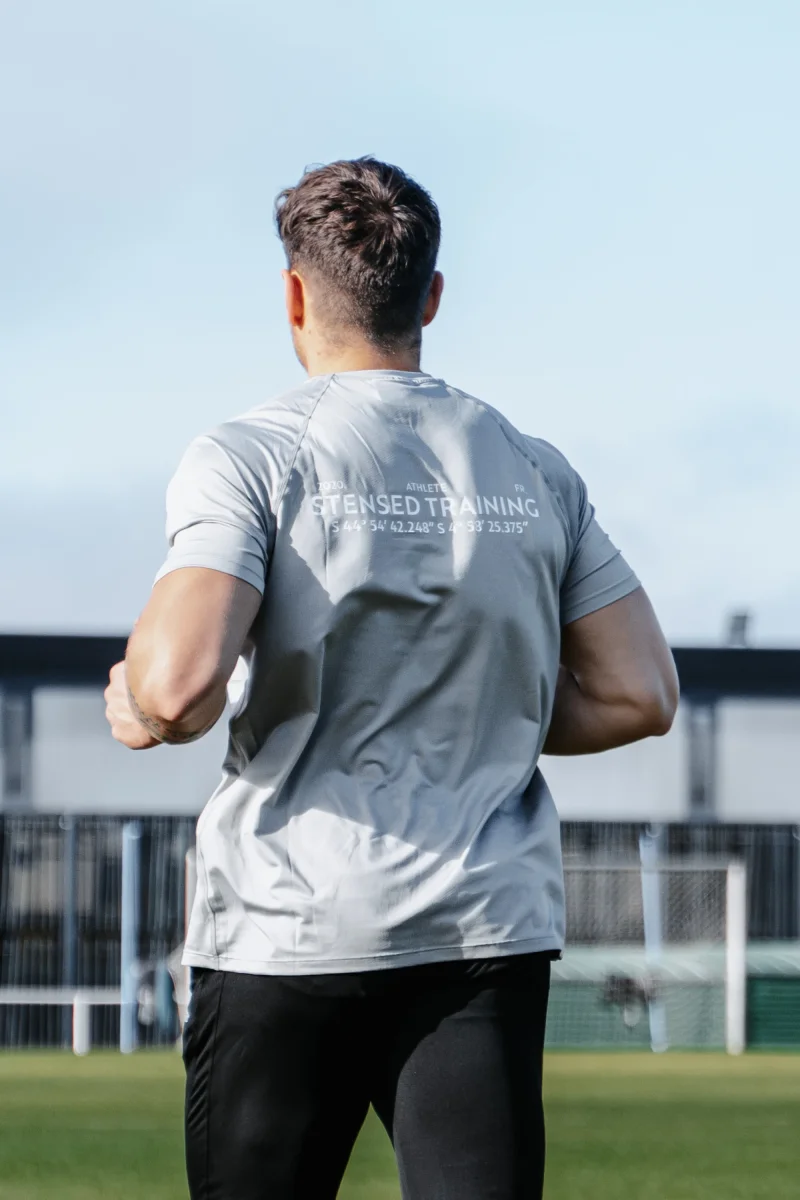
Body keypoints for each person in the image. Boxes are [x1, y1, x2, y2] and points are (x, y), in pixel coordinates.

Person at [104, 156, 679, 1200]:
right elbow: (641, 691)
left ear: (293, 295)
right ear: (432, 296)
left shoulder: (249, 455)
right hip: (479, 929)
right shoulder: (532, 465)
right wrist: (483, 704)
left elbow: (179, 686)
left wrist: (138, 706)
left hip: (285, 926)